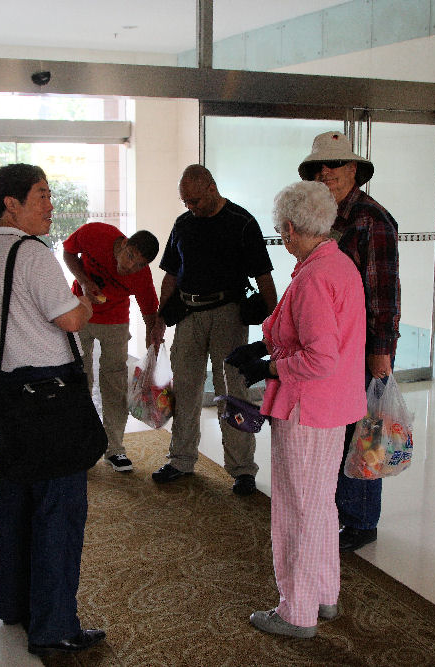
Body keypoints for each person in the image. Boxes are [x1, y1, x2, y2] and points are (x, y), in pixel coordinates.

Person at [0, 163, 105, 656]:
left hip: (5, 390)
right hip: (47, 395)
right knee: (58, 511)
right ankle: (54, 626)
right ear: (11, 203)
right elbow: (67, 316)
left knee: (16, 501)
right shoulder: (33, 254)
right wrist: (86, 301)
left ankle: (16, 606)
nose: (50, 205)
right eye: (41, 195)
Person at [226, 180, 366, 638]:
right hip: (331, 408)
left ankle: (296, 611)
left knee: (295, 510)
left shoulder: (313, 278)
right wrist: (264, 346)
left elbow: (320, 357)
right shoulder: (337, 264)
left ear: (288, 228)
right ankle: (323, 593)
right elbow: (303, 332)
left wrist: (271, 368)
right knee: (320, 505)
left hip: (307, 410)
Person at [298, 131, 401, 552]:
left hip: (362, 347)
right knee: (337, 429)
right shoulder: (325, 217)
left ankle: (360, 521)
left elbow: (384, 292)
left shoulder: (369, 218)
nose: (327, 173)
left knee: (362, 430)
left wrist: (381, 351)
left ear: (353, 170)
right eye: (319, 167)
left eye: (335, 165)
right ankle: (341, 511)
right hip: (331, 345)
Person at [152, 164, 277, 496]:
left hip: (228, 313)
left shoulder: (242, 222)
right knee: (185, 389)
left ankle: (242, 469)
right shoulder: (183, 224)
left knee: (233, 390)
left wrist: (274, 325)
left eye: (194, 201)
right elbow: (170, 275)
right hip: (188, 312)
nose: (190, 208)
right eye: (186, 203)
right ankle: (181, 459)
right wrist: (159, 318)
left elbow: (264, 276)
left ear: (211, 188)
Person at [62, 223, 163, 472]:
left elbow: (151, 313)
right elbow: (68, 252)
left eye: (139, 264)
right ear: (124, 243)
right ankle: (79, 447)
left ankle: (115, 449)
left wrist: (153, 351)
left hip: (116, 321)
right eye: (129, 256)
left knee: (115, 383)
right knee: (79, 379)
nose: (129, 267)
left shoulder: (141, 275)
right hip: (81, 311)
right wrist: (84, 281)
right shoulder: (96, 234)